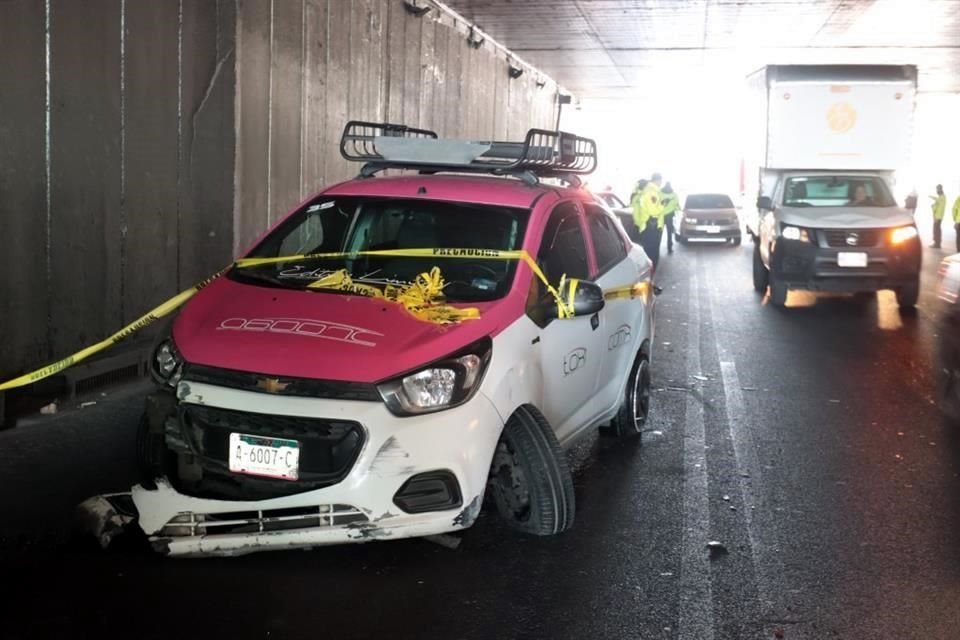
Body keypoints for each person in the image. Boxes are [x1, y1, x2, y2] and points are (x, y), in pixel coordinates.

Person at [633, 173, 665, 270]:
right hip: (652, 226)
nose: (661, 183)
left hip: (648, 225)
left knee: (649, 251)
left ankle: (649, 273)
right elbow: (653, 211)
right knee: (652, 252)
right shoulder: (652, 192)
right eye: (660, 181)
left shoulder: (648, 191)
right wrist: (662, 206)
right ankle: (650, 275)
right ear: (657, 180)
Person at [661, 182, 680, 254]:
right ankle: (669, 247)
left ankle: (657, 247)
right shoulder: (674, 194)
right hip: (670, 216)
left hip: (661, 216)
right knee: (669, 233)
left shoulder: (660, 193)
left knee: (659, 233)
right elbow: (677, 206)